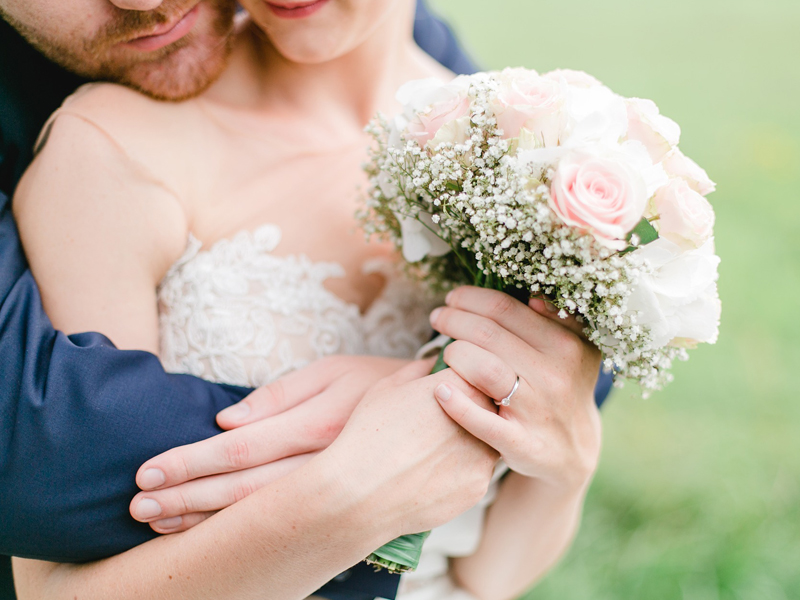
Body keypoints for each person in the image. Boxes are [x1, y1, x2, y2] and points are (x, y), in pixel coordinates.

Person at [8, 0, 608, 598]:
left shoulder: (521, 149)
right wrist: (349, 495)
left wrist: (570, 455)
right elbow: (51, 587)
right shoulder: (115, 147)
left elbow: (488, 577)